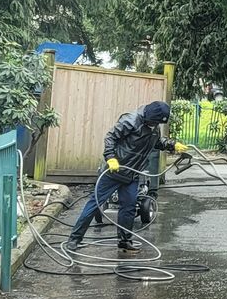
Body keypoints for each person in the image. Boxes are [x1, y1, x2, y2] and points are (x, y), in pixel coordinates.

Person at [69, 100, 185, 251]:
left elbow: (155, 142)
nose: (156, 125)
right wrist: (110, 157)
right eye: (154, 122)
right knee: (94, 204)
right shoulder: (130, 121)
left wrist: (171, 145)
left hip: (132, 175)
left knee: (129, 208)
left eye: (158, 123)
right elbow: (110, 137)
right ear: (148, 116)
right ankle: (74, 239)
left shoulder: (154, 127)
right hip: (114, 171)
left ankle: (125, 241)